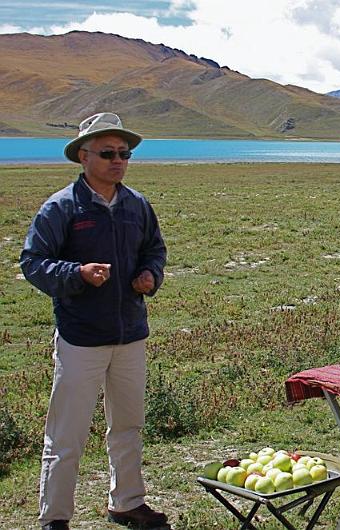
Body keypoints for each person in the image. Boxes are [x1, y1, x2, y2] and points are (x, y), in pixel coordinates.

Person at [20, 113, 168, 530]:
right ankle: (55, 517)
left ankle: (127, 503)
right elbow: (33, 262)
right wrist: (77, 274)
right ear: (83, 157)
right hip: (81, 337)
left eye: (124, 153)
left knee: (128, 425)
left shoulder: (137, 205)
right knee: (67, 433)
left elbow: (155, 250)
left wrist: (150, 275)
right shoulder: (61, 208)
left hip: (130, 334)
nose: (118, 160)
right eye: (107, 153)